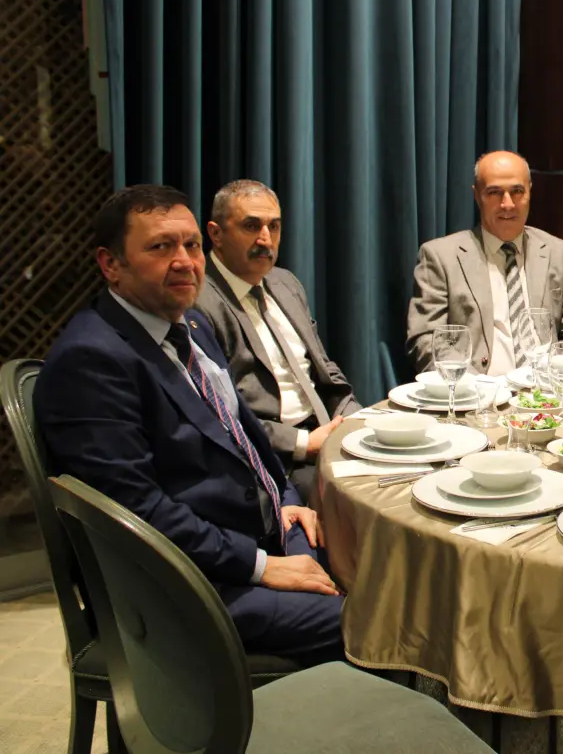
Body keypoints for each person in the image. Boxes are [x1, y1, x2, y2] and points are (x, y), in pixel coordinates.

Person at [35, 185, 344, 667]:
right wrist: (261, 566)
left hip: (254, 534)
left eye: (191, 245)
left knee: (384, 570)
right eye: (161, 247)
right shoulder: (93, 360)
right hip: (179, 586)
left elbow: (245, 437)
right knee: (374, 619)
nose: (184, 262)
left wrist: (286, 498)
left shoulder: (190, 327)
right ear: (110, 264)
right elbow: (137, 512)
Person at [196, 180, 360, 501]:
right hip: (274, 458)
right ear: (215, 234)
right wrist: (303, 444)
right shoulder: (198, 303)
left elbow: (323, 368)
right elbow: (219, 415)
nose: (265, 239)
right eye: (251, 226)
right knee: (361, 504)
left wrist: (354, 419)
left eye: (274, 226)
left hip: (326, 431)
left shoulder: (285, 283)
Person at [406, 150, 563, 375]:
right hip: (474, 390)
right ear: (477, 195)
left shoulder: (557, 252)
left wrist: (556, 381)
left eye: (517, 191)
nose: (507, 204)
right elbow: (426, 340)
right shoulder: (440, 257)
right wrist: (475, 386)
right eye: (494, 193)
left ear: (530, 192)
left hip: (543, 389)